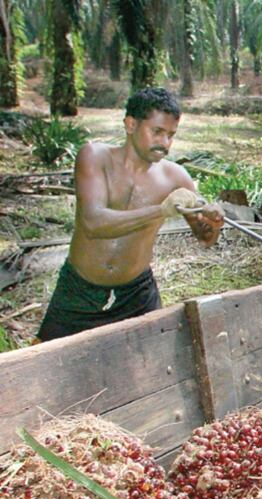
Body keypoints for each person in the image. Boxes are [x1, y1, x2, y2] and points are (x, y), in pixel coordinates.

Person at [36, 87, 224, 341]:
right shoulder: (95, 157)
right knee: (46, 367)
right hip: (79, 291)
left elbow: (204, 238)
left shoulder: (176, 178)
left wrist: (214, 223)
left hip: (136, 294)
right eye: (157, 132)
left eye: (171, 135)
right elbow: (93, 223)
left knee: (154, 372)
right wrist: (160, 210)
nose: (165, 143)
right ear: (130, 124)